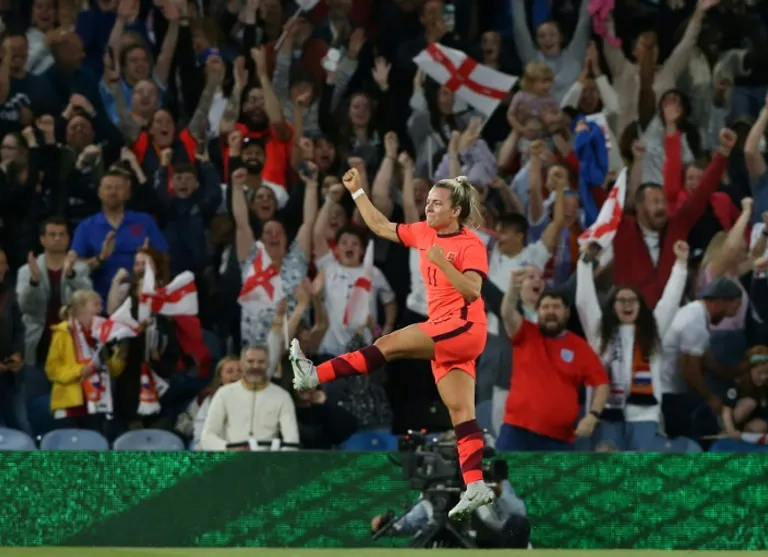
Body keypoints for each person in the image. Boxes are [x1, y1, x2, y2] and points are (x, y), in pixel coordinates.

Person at [289, 167, 494, 520]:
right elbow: (381, 226)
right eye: (428, 202)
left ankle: (314, 375)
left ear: (455, 211)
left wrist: (443, 264)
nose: (428, 207)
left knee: (388, 344)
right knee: (461, 413)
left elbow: (473, 290)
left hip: (462, 327)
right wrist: (357, 192)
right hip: (448, 334)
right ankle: (476, 485)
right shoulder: (424, 232)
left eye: (436, 203)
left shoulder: (470, 243)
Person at [500, 283, 610, 451]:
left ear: (567, 312)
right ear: (537, 311)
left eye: (556, 307)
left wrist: (592, 416)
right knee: (504, 469)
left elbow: (602, 384)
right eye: (545, 307)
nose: (550, 311)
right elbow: (507, 313)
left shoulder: (579, 347)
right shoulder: (525, 333)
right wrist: (514, 287)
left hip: (559, 439)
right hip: (517, 431)